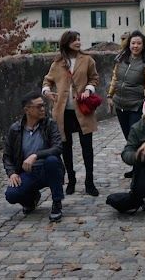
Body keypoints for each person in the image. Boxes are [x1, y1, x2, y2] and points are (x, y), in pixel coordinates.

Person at [42, 30, 100, 197]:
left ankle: (90, 181)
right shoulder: (58, 63)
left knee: (87, 146)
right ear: (66, 42)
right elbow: (48, 80)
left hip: (82, 109)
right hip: (62, 111)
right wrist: (47, 91)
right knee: (65, 146)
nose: (78, 42)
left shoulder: (87, 60)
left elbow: (94, 78)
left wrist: (89, 89)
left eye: (79, 39)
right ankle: (71, 180)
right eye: (74, 40)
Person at [2, 92, 65, 222]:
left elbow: (58, 148)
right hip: (28, 172)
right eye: (39, 106)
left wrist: (36, 155)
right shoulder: (15, 129)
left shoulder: (49, 124)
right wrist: (12, 173)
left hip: (48, 170)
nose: (43, 109)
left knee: (52, 161)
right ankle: (31, 199)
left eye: (43, 105)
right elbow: (7, 155)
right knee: (11, 195)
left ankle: (57, 203)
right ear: (27, 110)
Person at [107, 30, 145, 179]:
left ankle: (141, 169)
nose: (135, 46)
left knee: (136, 137)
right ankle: (137, 166)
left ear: (143, 45)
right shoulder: (121, 58)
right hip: (120, 104)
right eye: (133, 43)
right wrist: (110, 95)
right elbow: (115, 78)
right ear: (129, 44)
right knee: (129, 138)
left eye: (139, 43)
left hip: (136, 105)